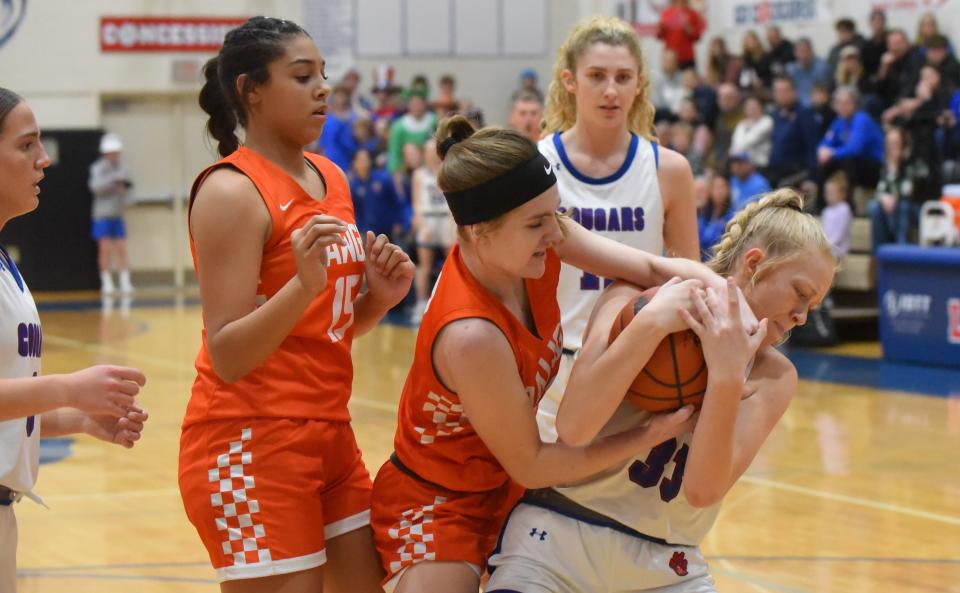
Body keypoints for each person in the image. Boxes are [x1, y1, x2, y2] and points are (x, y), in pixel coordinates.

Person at [370, 116, 723, 593]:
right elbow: (534, 462)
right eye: (537, 223)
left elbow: (648, 265)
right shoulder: (472, 334)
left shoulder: (541, 241)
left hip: (512, 486)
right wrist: (651, 432)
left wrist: (729, 300)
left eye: (555, 214)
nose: (554, 233)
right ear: (477, 231)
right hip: (440, 500)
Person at [486, 188, 837, 593]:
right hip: (560, 535)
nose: (802, 316)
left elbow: (703, 491)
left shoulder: (775, 377)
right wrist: (651, 324)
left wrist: (725, 376)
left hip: (668, 565)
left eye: (812, 305)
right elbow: (574, 428)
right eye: (800, 293)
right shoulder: (631, 297)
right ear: (754, 263)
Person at [176, 17, 414, 592]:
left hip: (330, 430)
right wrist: (301, 287)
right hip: (249, 439)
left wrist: (376, 305)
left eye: (323, 75)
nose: (323, 89)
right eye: (302, 76)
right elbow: (229, 352)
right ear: (250, 90)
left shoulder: (329, 176)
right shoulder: (230, 191)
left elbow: (314, 330)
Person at [0, 87, 149, 592]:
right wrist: (68, 388)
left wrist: (78, 418)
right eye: (26, 146)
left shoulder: (6, 263)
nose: (44, 159)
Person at [537, 15, 701, 440]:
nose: (611, 90)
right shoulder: (536, 165)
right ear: (570, 81)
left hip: (636, 365)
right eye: (597, 76)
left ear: (639, 84)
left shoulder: (670, 170)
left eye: (622, 77)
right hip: (549, 366)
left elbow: (687, 279)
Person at [410, 138, 454, 321]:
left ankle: (449, 304)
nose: (431, 154)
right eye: (428, 151)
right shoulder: (419, 174)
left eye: (434, 151)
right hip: (428, 219)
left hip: (446, 218)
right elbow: (416, 203)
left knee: (451, 265)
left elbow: (453, 200)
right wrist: (421, 224)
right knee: (424, 265)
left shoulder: (449, 172)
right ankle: (420, 305)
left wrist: (454, 224)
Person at [88, 132, 135, 295]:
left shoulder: (123, 168)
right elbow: (95, 187)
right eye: (111, 152)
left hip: (117, 215)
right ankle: (107, 282)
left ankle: (125, 281)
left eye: (116, 152)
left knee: (122, 248)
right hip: (102, 216)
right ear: (105, 153)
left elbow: (129, 188)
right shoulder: (97, 168)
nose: (114, 155)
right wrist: (113, 180)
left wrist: (123, 189)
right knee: (105, 249)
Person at [869, 126, 917, 246]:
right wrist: (883, 198)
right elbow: (880, 189)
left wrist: (896, 167)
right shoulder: (884, 165)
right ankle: (879, 252)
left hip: (909, 204)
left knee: (902, 206)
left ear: (903, 144)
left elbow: (908, 189)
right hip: (889, 205)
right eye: (889, 143)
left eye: (895, 143)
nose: (892, 147)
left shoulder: (909, 163)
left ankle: (901, 247)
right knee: (874, 207)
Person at [657, 0, 705, 71]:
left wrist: (688, 28)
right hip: (670, 59)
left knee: (689, 80)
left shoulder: (692, 14)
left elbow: (698, 37)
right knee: (668, 81)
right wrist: (661, 28)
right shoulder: (666, 13)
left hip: (687, 57)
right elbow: (659, 36)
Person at [821, 172, 853, 258]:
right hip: (827, 246)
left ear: (842, 194)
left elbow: (839, 235)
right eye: (827, 192)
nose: (828, 195)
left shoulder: (844, 209)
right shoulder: (826, 211)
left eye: (832, 192)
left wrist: (827, 245)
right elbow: (824, 231)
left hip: (839, 249)